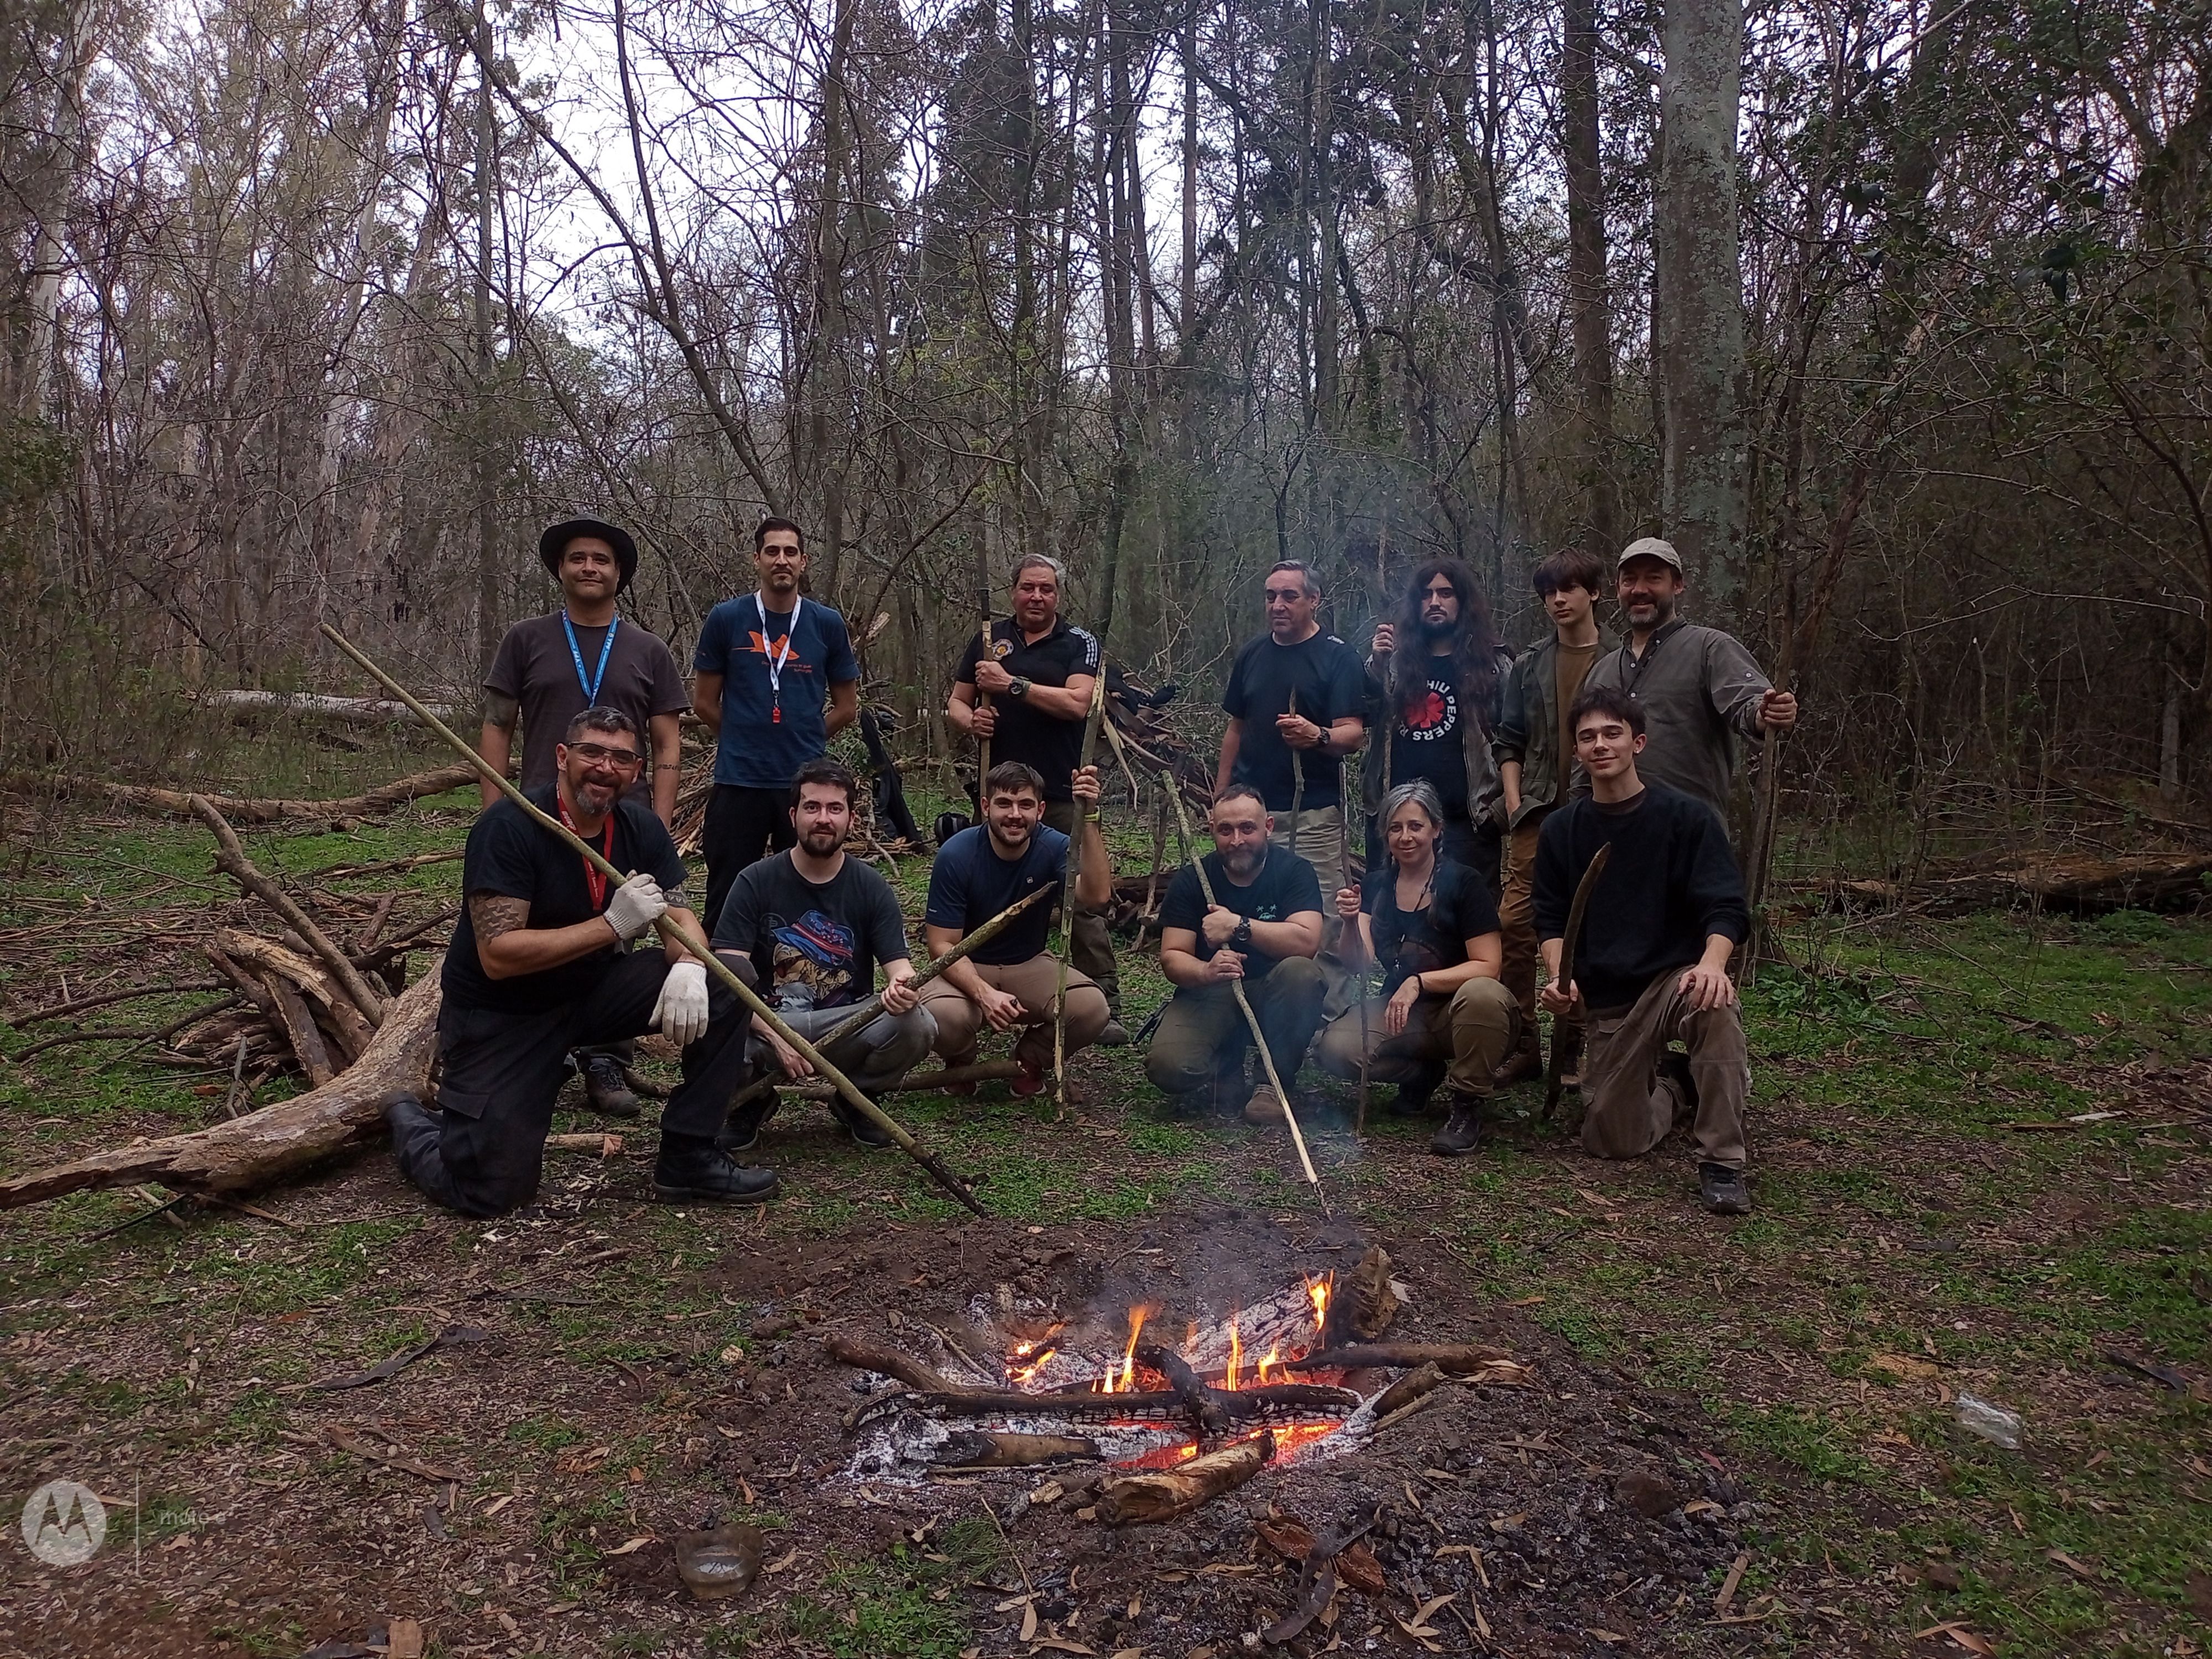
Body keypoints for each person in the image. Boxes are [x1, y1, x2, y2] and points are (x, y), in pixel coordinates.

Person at [388, 708, 775, 1215]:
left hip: (592, 993)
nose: (605, 768)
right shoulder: (510, 827)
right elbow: (498, 955)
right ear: (562, 757)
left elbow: (681, 917)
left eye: (621, 758)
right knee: (489, 1193)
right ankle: (410, 1121)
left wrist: (689, 966)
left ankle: (690, 1155)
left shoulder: (639, 828)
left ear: (637, 770)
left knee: (727, 978)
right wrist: (612, 925)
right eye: (592, 752)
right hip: (504, 1015)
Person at [482, 517, 691, 1118]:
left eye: (602, 559)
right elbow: (496, 725)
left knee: (621, 928)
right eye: (578, 558)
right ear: (561, 569)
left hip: (622, 816)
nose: (589, 567)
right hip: (539, 815)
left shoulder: (648, 650)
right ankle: (542, 1045)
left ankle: (606, 1056)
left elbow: (667, 742)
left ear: (619, 574)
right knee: (539, 925)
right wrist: (495, 810)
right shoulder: (526, 639)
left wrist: (658, 821)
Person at [1535, 686, 1754, 1216]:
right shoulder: (1562, 830)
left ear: (1638, 743)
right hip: (1611, 1000)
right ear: (1577, 751)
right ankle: (1679, 1085)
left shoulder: (1687, 819)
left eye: (1612, 734)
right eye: (1588, 737)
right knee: (1613, 1139)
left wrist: (1712, 964)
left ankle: (1723, 1161)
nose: (1600, 745)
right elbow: (1549, 918)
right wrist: (1561, 978)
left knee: (1714, 1004)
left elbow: (1726, 906)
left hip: (1676, 980)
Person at [712, 758, 935, 1154]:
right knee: (711, 1020)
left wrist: (903, 987)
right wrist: (776, 1035)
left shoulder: (871, 886)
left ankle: (857, 1097)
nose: (823, 819)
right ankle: (752, 1100)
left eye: (835, 808)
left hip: (848, 1022)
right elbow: (726, 978)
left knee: (917, 1023)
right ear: (793, 815)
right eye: (812, 807)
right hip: (768, 1021)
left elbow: (900, 967)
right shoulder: (754, 881)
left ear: (851, 818)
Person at [947, 554, 1126, 1045]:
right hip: (1001, 794)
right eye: (1028, 587)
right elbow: (957, 701)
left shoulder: (1079, 642)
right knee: (989, 889)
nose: (1037, 597)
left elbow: (1079, 703)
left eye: (1046, 589)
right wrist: (970, 720)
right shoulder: (990, 640)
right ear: (1014, 590)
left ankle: (1103, 997)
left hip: (1060, 792)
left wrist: (1011, 685)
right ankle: (979, 985)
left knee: (1080, 896)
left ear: (1058, 595)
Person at [1316, 781, 1520, 1155]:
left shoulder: (1464, 882)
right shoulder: (1377, 886)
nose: (1405, 837)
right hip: (1404, 1014)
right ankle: (1421, 1074)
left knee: (1484, 995)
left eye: (1416, 826)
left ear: (1436, 830)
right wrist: (1349, 922)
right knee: (1335, 1049)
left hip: (1464, 1011)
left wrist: (1418, 981)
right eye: (1395, 828)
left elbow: (1488, 966)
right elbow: (1358, 962)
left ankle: (1467, 1103)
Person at [692, 516, 861, 936]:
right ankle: (722, 969)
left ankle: (804, 966)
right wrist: (741, 737)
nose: (781, 560)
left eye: (790, 552)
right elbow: (704, 703)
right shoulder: (727, 618)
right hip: (739, 780)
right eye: (772, 551)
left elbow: (846, 708)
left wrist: (806, 739)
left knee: (806, 890)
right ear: (757, 560)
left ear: (804, 561)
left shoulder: (826, 623)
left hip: (803, 784)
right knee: (727, 893)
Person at [1488, 547, 1613, 1087]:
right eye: (1548, 593)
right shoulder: (1530, 663)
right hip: (1537, 813)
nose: (1557, 600)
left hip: (1599, 814)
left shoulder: (1620, 659)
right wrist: (1515, 802)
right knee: (1514, 925)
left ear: (1594, 593)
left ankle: (1574, 1044)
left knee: (1589, 926)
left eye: (1568, 589)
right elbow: (1509, 739)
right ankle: (1523, 1044)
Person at [916, 760, 1114, 1095]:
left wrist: (1090, 818)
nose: (1015, 815)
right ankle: (961, 1062)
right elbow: (941, 945)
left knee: (1092, 1009)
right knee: (942, 1014)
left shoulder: (1054, 846)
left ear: (1041, 810)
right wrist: (983, 993)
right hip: (967, 964)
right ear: (985, 807)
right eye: (1004, 804)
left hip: (1029, 962)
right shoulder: (957, 854)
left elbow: (1096, 896)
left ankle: (1031, 1059)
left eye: (1025, 805)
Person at [1578, 537, 1797, 831]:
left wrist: (1765, 713)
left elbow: (1748, 703)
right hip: (1612, 837)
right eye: (1629, 580)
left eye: (1654, 578)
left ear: (1678, 585)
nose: (1639, 590)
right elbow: (1582, 767)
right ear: (1618, 589)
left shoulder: (1710, 648)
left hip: (1690, 835)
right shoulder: (1602, 671)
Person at [1144, 784, 1328, 1127]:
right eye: (1225, 830)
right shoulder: (1193, 879)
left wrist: (1239, 926)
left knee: (1302, 974)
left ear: (1268, 827)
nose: (1237, 840)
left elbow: (1306, 941)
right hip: (1212, 992)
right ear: (1212, 829)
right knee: (1170, 1067)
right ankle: (1224, 1064)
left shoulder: (1294, 872)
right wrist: (1205, 971)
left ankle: (1271, 1083)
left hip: (1276, 991)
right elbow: (1172, 955)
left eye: (1247, 828)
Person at [1215, 561, 1368, 912]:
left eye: (1289, 596)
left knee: (1322, 910)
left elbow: (1353, 734)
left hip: (1313, 815)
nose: (1278, 605)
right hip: (1250, 815)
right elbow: (1236, 728)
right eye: (1271, 597)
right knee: (1251, 908)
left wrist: (1318, 735)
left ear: (1314, 600)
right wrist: (1221, 797)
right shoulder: (1252, 654)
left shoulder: (1338, 656)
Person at [1361, 557, 1516, 889]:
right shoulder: (1394, 663)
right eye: (1426, 594)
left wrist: (1499, 813)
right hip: (1399, 823)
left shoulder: (1493, 665)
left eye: (1446, 594)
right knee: (1392, 915)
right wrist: (1377, 665)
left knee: (1469, 915)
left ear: (1463, 601)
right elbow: (1363, 716)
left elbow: (1518, 741)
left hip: (1469, 823)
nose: (1435, 602)